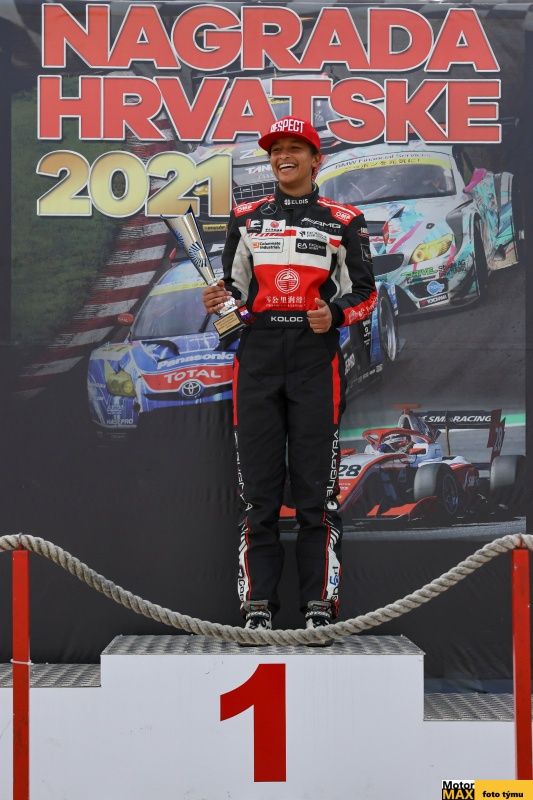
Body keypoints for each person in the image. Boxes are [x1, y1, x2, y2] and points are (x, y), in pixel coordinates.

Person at [203, 116, 376, 642]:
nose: (284, 157)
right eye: (276, 149)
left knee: (315, 497)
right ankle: (257, 605)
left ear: (316, 160)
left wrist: (335, 314)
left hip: (313, 358)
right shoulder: (246, 218)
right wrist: (218, 303)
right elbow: (232, 296)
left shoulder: (344, 220)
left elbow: (366, 293)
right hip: (256, 358)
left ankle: (319, 606)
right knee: (257, 496)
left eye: (295, 149)